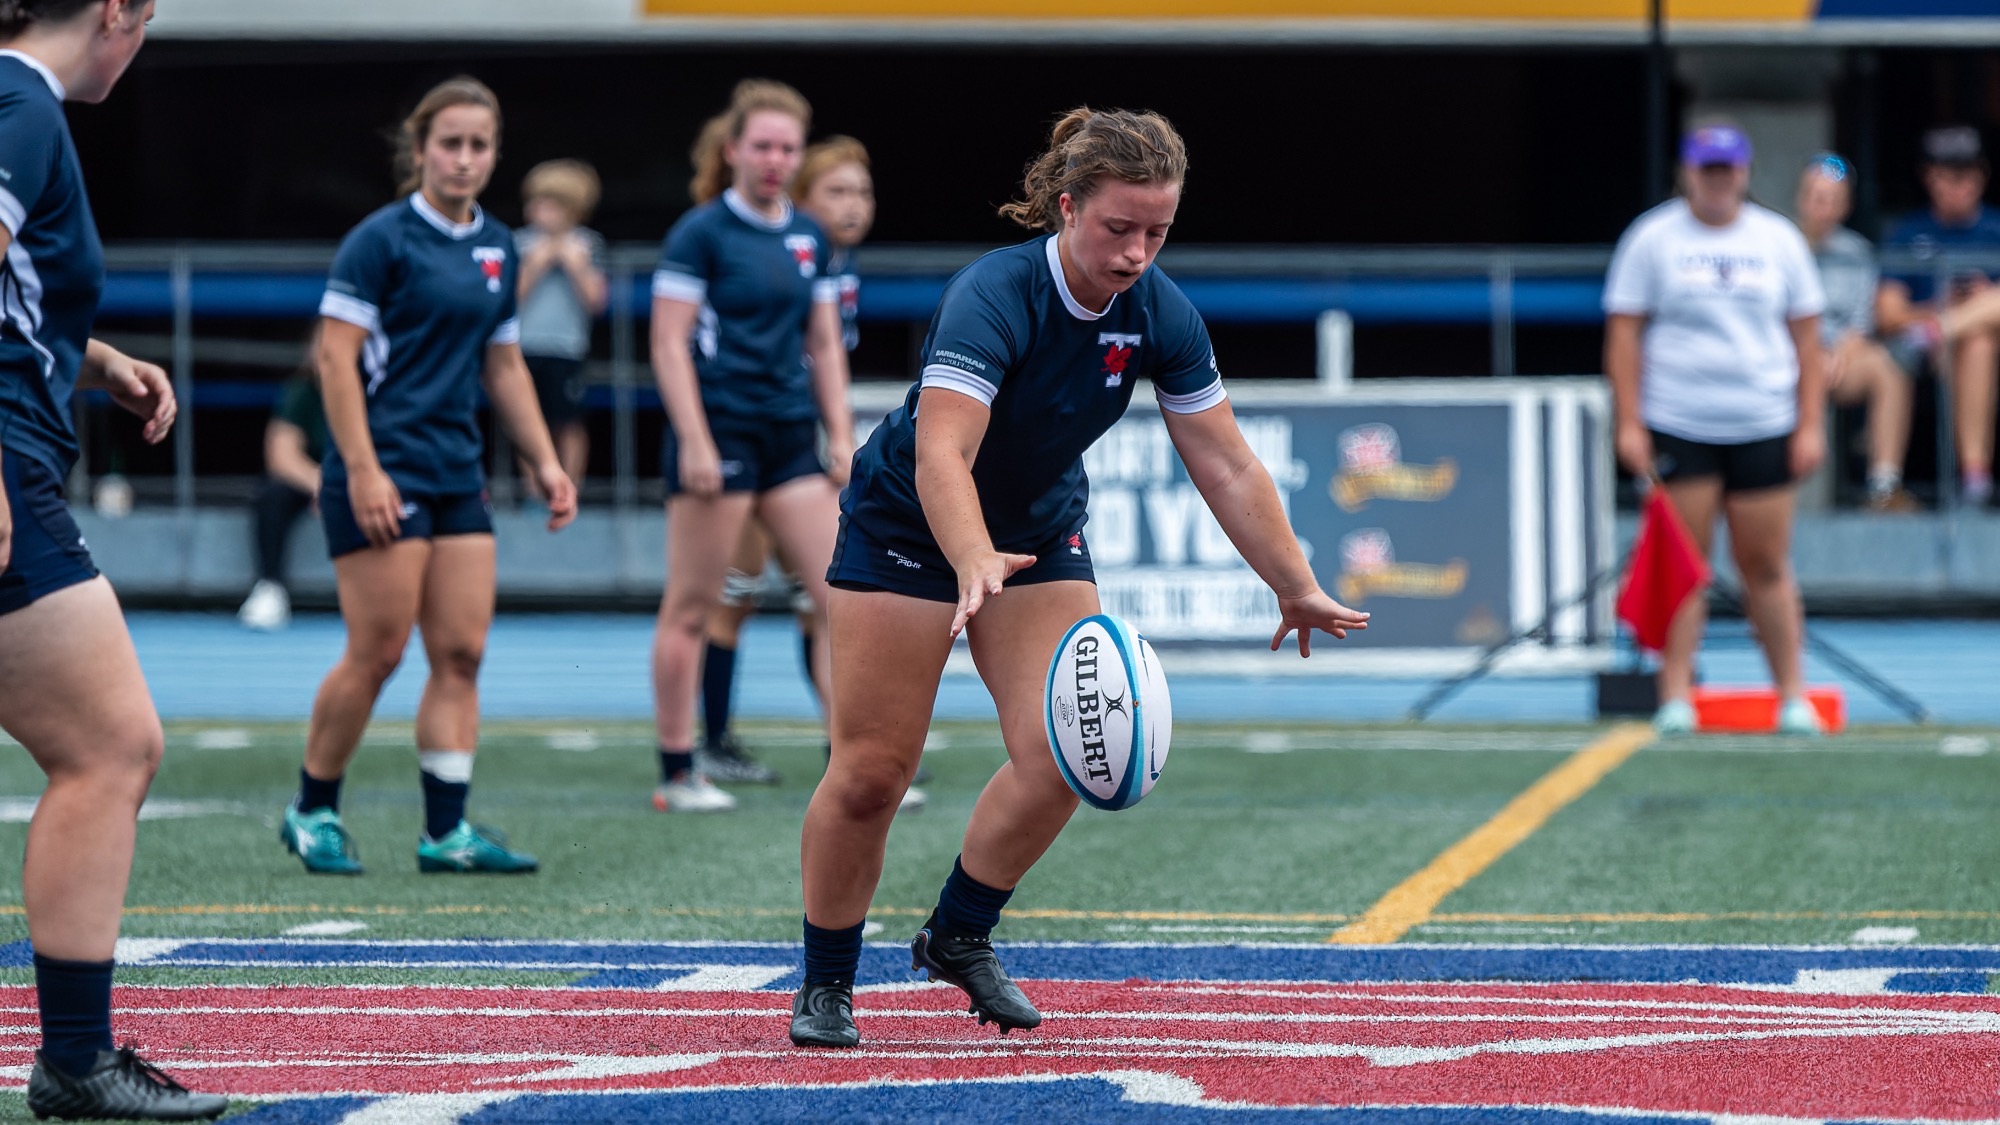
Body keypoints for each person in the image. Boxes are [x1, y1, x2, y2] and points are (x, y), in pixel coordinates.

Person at [788, 107, 1371, 1049]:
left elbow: (1225, 462)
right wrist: (971, 555)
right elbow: (943, 453)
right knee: (871, 773)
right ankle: (825, 982)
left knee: (1072, 746)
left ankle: (958, 934)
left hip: (1038, 532)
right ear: (1066, 207)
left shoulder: (1161, 313)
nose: (1138, 251)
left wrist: (1293, 581)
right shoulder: (995, 293)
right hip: (908, 524)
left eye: (1158, 231)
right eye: (1118, 228)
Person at [0, 0, 229, 1117]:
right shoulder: (19, 106)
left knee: (106, 745)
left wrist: (89, 358)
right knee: (109, 746)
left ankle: (76, 1060)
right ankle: (77, 1063)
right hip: (6, 464)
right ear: (113, 12)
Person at [281, 76, 578, 876]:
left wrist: (545, 461)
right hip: (380, 469)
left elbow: (504, 363)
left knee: (461, 654)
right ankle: (311, 810)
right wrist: (366, 469)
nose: (464, 158)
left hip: (455, 472)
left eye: (480, 145)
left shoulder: (499, 245)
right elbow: (335, 361)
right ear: (420, 151)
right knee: (377, 651)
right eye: (450, 143)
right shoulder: (379, 240)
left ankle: (445, 831)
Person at [697, 135, 928, 813]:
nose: (853, 204)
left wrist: (837, 434)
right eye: (837, 191)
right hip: (755, 443)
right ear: (799, 198)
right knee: (734, 593)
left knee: (827, 599)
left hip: (800, 445)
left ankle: (844, 746)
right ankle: (705, 745)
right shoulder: (771, 255)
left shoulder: (833, 265)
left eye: (862, 191)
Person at [649, 79, 853, 814]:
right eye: (762, 145)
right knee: (694, 605)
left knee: (846, 597)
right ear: (734, 149)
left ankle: (854, 760)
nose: (774, 160)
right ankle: (678, 769)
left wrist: (841, 433)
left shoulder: (809, 237)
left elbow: (825, 344)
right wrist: (696, 439)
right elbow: (668, 345)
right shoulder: (700, 233)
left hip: (790, 438)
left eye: (787, 148)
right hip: (721, 435)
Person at [1604, 125, 1826, 737]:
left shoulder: (1778, 239)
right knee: (1685, 564)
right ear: (1688, 172)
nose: (1719, 179)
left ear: (1746, 172)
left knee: (1768, 564)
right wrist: (1630, 421)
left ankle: (1791, 693)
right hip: (1682, 420)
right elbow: (1624, 333)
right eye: (1708, 168)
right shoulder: (1652, 237)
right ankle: (1675, 693)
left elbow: (1807, 340)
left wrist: (1810, 423)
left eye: (1728, 168)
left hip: (1762, 421)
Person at [1877, 125, 2000, 507]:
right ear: (1929, 177)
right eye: (1947, 175)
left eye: (1965, 176)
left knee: (1983, 329)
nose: (1957, 186)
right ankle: (1974, 476)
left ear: (1981, 178)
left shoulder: (1997, 227)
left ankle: (1940, 330)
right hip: (1931, 352)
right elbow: (1887, 314)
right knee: (1974, 342)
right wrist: (1941, 306)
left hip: (1962, 339)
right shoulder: (1908, 231)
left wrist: (1969, 306)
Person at [1794, 153, 1915, 511]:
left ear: (1845, 206)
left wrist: (1837, 355)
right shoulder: (1778, 245)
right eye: (1816, 196)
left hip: (1841, 359)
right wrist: (1812, 354)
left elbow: (1860, 324)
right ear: (1801, 199)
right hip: (1788, 358)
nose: (1822, 206)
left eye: (1832, 199)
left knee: (1888, 365)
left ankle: (1883, 486)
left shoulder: (1858, 252)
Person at [514, 158, 607, 497]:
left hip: (567, 347)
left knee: (568, 420)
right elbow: (509, 297)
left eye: (548, 204)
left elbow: (597, 301)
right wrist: (535, 265)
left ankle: (571, 488)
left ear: (570, 210)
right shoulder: (519, 243)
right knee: (527, 420)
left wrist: (576, 265)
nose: (537, 210)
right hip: (523, 346)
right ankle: (534, 492)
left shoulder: (587, 244)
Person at [237, 349, 332, 631]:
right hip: (314, 482)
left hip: (365, 479)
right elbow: (281, 455)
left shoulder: (381, 392)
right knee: (273, 493)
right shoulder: (303, 391)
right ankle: (271, 586)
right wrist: (323, 486)